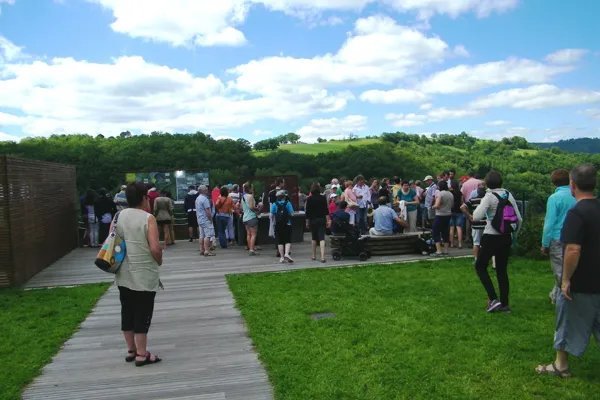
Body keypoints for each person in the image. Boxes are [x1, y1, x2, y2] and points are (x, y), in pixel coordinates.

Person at [536, 164, 600, 378]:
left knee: (565, 318)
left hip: (581, 281)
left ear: (573, 185)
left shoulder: (576, 213)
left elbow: (573, 249)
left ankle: (561, 365)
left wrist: (565, 280)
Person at [115, 182, 163, 367]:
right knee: (142, 313)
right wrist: (159, 260)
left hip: (123, 273)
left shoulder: (119, 216)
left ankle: (131, 350)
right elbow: (155, 248)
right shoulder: (148, 218)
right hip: (143, 274)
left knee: (127, 311)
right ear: (144, 198)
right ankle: (142, 355)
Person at [473, 170, 522, 313]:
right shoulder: (508, 194)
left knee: (480, 266)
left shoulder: (489, 196)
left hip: (490, 235)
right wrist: (514, 234)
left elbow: (476, 216)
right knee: (501, 270)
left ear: (487, 183)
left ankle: (493, 298)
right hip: (505, 236)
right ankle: (505, 304)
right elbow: (519, 218)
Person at [541, 169, 576, 304]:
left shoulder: (554, 198)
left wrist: (545, 244)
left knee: (560, 272)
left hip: (557, 238)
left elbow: (549, 223)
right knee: (571, 270)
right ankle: (555, 296)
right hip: (575, 238)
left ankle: (564, 299)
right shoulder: (575, 195)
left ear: (553, 182)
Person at [305, 183, 330, 262]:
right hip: (321, 219)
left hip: (313, 220)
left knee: (314, 238)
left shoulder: (309, 199)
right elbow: (326, 210)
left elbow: (307, 212)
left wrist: (307, 222)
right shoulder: (323, 198)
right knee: (322, 238)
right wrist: (328, 220)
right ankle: (322, 257)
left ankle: (313, 255)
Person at [271, 190, 295, 263]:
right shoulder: (288, 203)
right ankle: (286, 253)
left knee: (280, 241)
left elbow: (271, 215)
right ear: (284, 196)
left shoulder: (274, 204)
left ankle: (281, 257)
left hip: (278, 224)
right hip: (287, 224)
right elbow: (292, 213)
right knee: (287, 240)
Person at [432, 180, 454, 256]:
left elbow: (437, 205)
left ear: (439, 186)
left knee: (435, 231)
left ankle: (438, 251)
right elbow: (452, 205)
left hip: (440, 215)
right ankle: (446, 250)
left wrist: (433, 206)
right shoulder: (450, 194)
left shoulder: (440, 194)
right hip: (448, 214)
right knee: (445, 231)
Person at [195, 185, 216, 256]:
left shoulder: (197, 198)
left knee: (202, 235)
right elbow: (208, 211)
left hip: (200, 219)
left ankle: (201, 249)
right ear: (203, 191)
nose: (207, 191)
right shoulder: (205, 199)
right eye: (206, 190)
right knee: (208, 235)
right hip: (206, 219)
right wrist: (210, 219)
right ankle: (207, 250)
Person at [241, 182, 261, 256]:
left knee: (248, 234)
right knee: (253, 234)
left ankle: (250, 248)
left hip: (245, 217)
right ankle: (252, 250)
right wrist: (258, 208)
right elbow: (251, 207)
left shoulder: (243, 197)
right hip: (251, 217)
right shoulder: (250, 196)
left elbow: (241, 208)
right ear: (249, 188)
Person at [449, 180, 465, 249]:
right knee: (459, 227)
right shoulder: (460, 193)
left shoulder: (450, 193)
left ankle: (452, 244)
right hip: (459, 211)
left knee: (451, 228)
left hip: (451, 211)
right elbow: (462, 202)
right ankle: (460, 244)